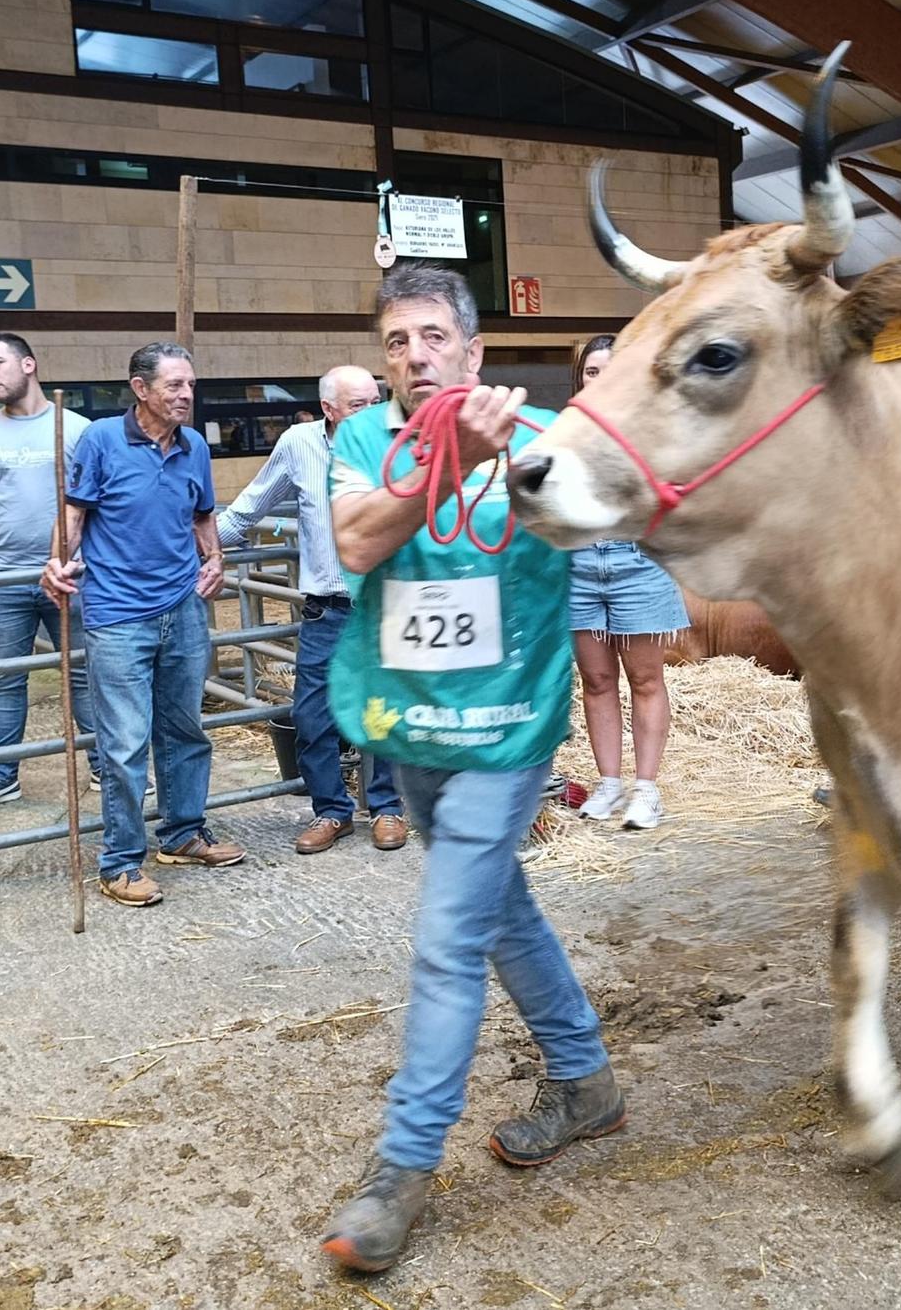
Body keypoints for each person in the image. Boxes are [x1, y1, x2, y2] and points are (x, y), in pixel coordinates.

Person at [318, 264, 620, 1274]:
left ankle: (398, 1174)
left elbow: (632, 519)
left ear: (472, 352)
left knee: (449, 936)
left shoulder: (541, 447)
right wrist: (449, 461)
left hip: (507, 733)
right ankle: (584, 1082)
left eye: (431, 337)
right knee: (498, 914)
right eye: (395, 340)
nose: (412, 355)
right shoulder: (361, 438)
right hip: (413, 729)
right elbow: (358, 542)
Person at [42, 342, 243, 908]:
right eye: (174, 386)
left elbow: (202, 513)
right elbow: (75, 512)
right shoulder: (102, 440)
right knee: (125, 744)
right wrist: (56, 563)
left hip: (181, 608)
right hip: (117, 615)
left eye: (190, 386)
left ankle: (181, 834)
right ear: (140, 388)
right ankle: (120, 861)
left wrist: (215, 561)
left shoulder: (195, 446)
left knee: (184, 730)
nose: (185, 396)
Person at [215, 364, 405, 854]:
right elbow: (248, 510)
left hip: (386, 604)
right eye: (360, 404)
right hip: (327, 608)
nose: (374, 410)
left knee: (382, 711)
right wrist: (196, 546)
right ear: (328, 409)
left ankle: (386, 807)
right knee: (312, 715)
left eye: (376, 399)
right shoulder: (299, 444)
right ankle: (331, 811)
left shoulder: (397, 441)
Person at [0, 332, 97, 812]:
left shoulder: (78, 430)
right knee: (6, 679)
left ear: (28, 364)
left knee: (86, 675)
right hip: (2, 580)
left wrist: (79, 559)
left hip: (68, 577)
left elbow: (95, 503)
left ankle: (105, 767)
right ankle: (3, 774)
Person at [565, 335, 687, 830]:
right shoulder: (565, 431)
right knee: (596, 682)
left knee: (645, 679)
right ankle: (609, 783)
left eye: (611, 370)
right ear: (581, 379)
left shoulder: (655, 429)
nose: (601, 379)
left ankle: (647, 789)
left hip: (637, 562)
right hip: (580, 565)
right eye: (592, 372)